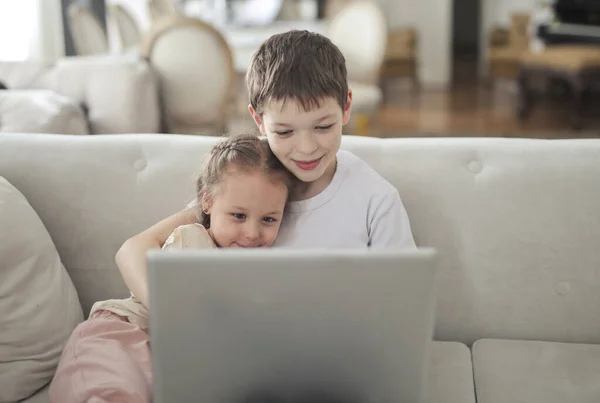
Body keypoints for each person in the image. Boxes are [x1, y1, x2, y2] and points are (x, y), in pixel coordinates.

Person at [117, 30, 416, 312]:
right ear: (258, 120)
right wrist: (170, 315)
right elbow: (133, 249)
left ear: (346, 107)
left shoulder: (376, 199)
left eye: (323, 126)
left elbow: (404, 301)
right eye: (284, 132)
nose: (307, 147)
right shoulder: (247, 173)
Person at [49, 134, 296, 403]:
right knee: (109, 390)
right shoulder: (192, 239)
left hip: (171, 355)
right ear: (208, 202)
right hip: (123, 332)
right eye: (238, 216)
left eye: (269, 219)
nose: (251, 233)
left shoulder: (268, 271)